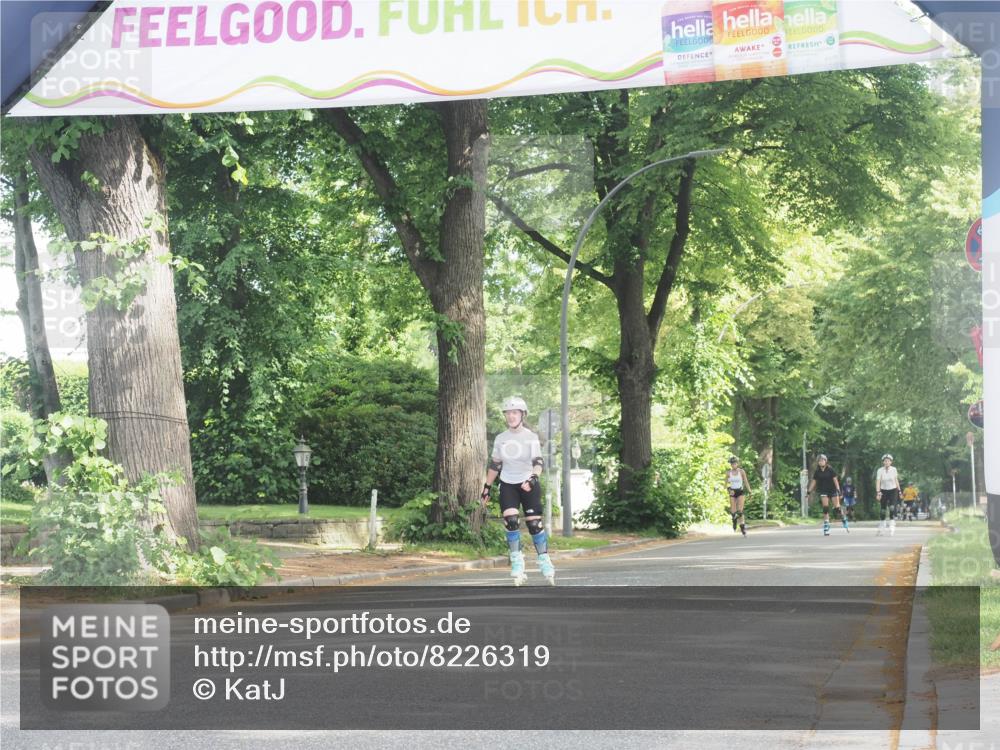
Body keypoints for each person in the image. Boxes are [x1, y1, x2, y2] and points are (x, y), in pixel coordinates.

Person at [481, 397, 554, 585]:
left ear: (522, 415)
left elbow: (538, 462)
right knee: (511, 521)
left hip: (528, 483)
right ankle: (517, 561)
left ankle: (544, 560)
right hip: (508, 483)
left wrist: (533, 478)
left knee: (534, 525)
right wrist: (486, 488)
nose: (511, 416)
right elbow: (495, 465)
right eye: (508, 413)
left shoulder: (530, 437)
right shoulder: (501, 439)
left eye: (515, 413)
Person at [808, 454, 845, 536]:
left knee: (837, 509)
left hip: (833, 490)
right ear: (818, 462)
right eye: (819, 461)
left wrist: (839, 491)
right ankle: (826, 526)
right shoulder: (817, 472)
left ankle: (843, 517)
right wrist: (809, 491)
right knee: (825, 508)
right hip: (823, 490)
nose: (821, 462)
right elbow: (814, 482)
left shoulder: (830, 470)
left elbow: (835, 481)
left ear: (825, 461)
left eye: (822, 460)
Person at [875, 454, 901, 536]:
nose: (887, 462)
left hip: (893, 490)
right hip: (883, 490)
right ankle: (882, 525)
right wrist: (878, 492)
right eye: (885, 461)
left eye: (888, 461)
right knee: (883, 509)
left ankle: (892, 524)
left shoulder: (894, 469)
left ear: (891, 462)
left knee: (892, 507)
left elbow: (896, 480)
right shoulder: (880, 470)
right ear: (883, 462)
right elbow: (878, 481)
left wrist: (899, 491)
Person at [725, 456, 750, 537]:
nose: (733, 465)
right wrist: (728, 490)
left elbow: (746, 482)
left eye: (735, 463)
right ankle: (734, 520)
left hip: (740, 491)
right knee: (733, 512)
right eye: (732, 464)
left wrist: (750, 491)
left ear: (737, 464)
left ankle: (742, 528)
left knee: (740, 511)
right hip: (732, 492)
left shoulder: (741, 472)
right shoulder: (728, 473)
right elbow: (725, 485)